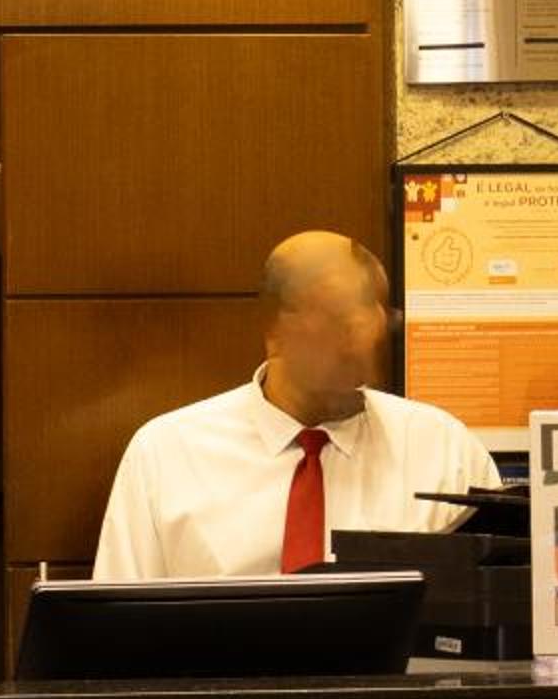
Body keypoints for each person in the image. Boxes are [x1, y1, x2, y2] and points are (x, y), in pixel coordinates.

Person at [93, 229, 497, 581]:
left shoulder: (443, 451)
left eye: (371, 314)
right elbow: (117, 626)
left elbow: (499, 613)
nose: (359, 339)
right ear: (275, 328)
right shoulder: (167, 454)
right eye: (337, 317)